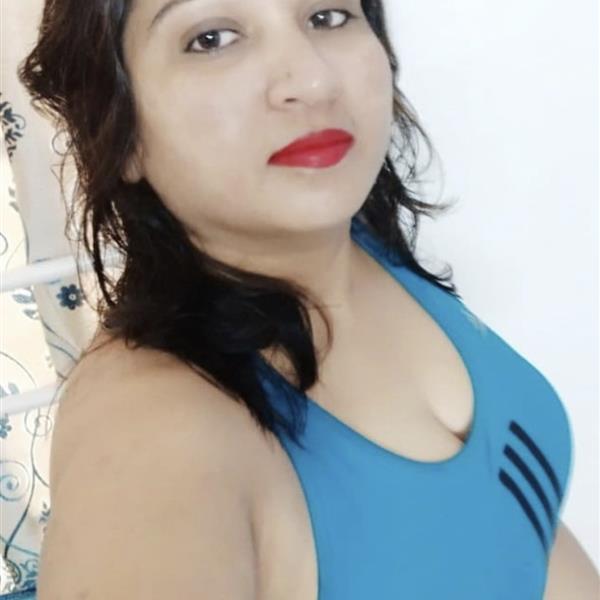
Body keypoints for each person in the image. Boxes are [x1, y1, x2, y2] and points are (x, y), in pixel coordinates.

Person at [16, 0, 598, 598]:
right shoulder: (152, 436)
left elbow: (503, 525)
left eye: (327, 16)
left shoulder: (356, 245)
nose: (314, 80)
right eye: (212, 38)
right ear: (120, 130)